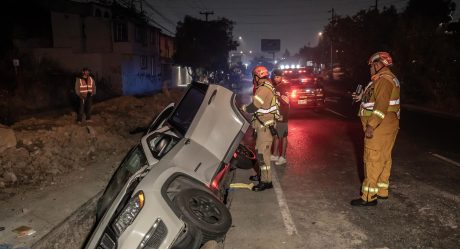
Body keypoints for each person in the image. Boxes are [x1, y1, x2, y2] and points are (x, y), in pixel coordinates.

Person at [351, 52, 400, 206]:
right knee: (384, 158)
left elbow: (381, 106)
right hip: (387, 124)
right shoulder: (384, 79)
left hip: (380, 125)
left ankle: (368, 197)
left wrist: (371, 125)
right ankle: (381, 191)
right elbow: (376, 99)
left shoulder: (384, 80)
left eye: (371, 66)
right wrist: (361, 98)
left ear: (378, 64)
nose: (370, 69)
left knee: (372, 159)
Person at [241, 65, 280, 191]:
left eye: (254, 76)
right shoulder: (266, 86)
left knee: (263, 156)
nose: (253, 79)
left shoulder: (263, 89)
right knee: (261, 154)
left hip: (265, 128)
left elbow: (254, 107)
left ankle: (266, 181)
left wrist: (244, 108)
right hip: (263, 126)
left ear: (258, 76)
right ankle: (262, 176)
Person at [270, 69, 290, 165]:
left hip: (283, 114)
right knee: (277, 135)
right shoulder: (275, 86)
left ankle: (283, 157)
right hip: (277, 114)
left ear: (282, 77)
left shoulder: (284, 87)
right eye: (274, 77)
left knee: (283, 136)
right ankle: (275, 154)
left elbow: (287, 102)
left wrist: (278, 96)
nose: (276, 79)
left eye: (278, 77)